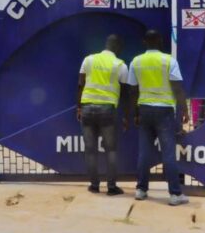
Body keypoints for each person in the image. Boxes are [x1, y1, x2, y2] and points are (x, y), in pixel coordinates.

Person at [128, 29, 190, 206]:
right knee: (168, 153)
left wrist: (136, 112)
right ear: (161, 41)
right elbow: (177, 87)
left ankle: (141, 190)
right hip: (164, 112)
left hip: (145, 109)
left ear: (144, 42)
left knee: (144, 152)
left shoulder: (136, 61)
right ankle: (175, 194)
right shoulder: (169, 61)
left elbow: (132, 90)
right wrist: (184, 109)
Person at [76, 34, 129, 195]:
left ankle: (94, 185)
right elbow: (126, 93)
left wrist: (79, 107)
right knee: (111, 150)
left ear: (105, 45)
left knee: (90, 150)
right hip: (107, 110)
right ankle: (111, 187)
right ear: (118, 48)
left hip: (87, 109)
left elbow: (80, 84)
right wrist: (126, 116)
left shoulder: (89, 60)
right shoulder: (120, 65)